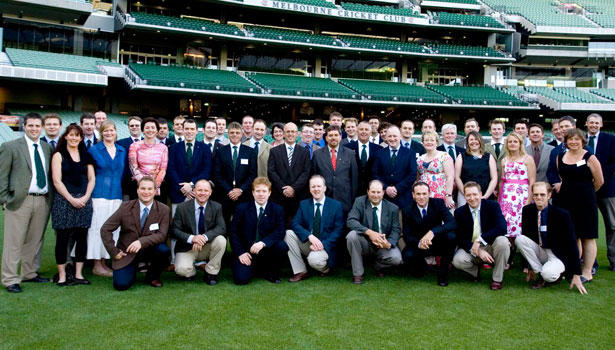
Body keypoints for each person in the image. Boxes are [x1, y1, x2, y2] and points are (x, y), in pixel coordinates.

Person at [0, 113, 53, 293]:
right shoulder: (10, 147)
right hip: (20, 200)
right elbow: (2, 176)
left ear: (42, 127)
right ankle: (10, 278)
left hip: (42, 200)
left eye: (37, 126)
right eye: (30, 125)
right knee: (14, 241)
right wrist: (5, 199)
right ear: (24, 126)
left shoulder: (46, 148)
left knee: (35, 240)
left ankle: (29, 273)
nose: (34, 129)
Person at [515, 182, 587, 294]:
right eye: (536, 194)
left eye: (542, 194)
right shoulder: (527, 211)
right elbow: (527, 236)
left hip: (557, 255)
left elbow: (572, 244)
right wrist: (528, 266)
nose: (539, 197)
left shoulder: (562, 215)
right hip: (540, 250)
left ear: (549, 195)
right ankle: (540, 274)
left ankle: (552, 275)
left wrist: (576, 274)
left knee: (549, 275)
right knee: (519, 239)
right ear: (532, 195)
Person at [101, 177, 171, 290]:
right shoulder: (125, 207)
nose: (146, 192)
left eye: (149, 189)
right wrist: (114, 252)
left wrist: (140, 242)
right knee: (121, 285)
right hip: (127, 252)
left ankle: (152, 276)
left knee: (163, 251)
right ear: (137, 190)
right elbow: (105, 229)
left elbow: (162, 235)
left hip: (150, 249)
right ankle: (131, 270)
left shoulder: (164, 209)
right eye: (143, 188)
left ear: (155, 191)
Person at [554, 128, 603, 282]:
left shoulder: (590, 157)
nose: (573, 142)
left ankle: (587, 272)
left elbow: (599, 181)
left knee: (588, 236)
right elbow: (562, 177)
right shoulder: (560, 156)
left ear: (582, 141)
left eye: (577, 139)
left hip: (586, 202)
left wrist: (586, 192)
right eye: (570, 139)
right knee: (572, 236)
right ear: (566, 141)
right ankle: (573, 270)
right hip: (566, 201)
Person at [50, 124, 95, 286]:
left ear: (81, 138)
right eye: (71, 135)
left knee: (82, 238)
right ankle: (62, 275)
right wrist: (71, 199)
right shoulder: (58, 155)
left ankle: (78, 274)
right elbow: (57, 181)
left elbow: (91, 179)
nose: (74, 138)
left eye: (77, 135)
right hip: (64, 201)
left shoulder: (86, 156)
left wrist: (85, 197)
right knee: (62, 239)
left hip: (84, 201)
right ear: (66, 136)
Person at [229, 177, 288, 285]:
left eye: (264, 191)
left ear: (269, 193)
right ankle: (254, 269)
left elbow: (280, 230)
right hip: (246, 252)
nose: (261, 194)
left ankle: (271, 272)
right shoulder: (241, 208)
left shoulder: (278, 209)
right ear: (253, 193)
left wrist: (263, 243)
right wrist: (241, 252)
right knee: (240, 279)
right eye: (258, 191)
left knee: (282, 246)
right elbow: (233, 233)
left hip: (266, 250)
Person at [285, 175, 344, 282]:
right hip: (309, 243)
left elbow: (338, 231)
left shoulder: (336, 205)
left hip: (326, 245)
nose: (316, 189)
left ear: (324, 188)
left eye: (319, 186)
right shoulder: (304, 204)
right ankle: (301, 271)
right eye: (313, 187)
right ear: (309, 189)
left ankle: (326, 270)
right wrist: (309, 236)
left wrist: (322, 245)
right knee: (288, 234)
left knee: (314, 261)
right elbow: (295, 223)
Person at [452, 182, 509, 290]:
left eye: (475, 194)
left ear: (480, 194)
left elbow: (502, 228)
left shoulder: (492, 206)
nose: (472, 198)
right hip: (472, 248)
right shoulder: (459, 212)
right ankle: (475, 272)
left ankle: (497, 279)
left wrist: (480, 240)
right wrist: (477, 250)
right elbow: (460, 238)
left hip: (491, 245)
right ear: (465, 196)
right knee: (457, 260)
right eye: (468, 195)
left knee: (503, 242)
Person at [87, 120, 126, 278]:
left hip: (116, 195)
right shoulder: (94, 150)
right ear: (101, 132)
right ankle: (97, 264)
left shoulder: (122, 150)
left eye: (112, 130)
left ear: (116, 132)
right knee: (97, 229)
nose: (109, 133)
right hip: (99, 195)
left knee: (112, 229)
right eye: (106, 131)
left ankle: (105, 261)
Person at [346, 180, 402, 284]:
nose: (375, 195)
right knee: (352, 236)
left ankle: (377, 266)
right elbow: (351, 221)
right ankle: (358, 274)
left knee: (396, 258)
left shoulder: (392, 208)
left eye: (378, 192)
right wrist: (369, 232)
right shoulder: (359, 202)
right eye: (373, 192)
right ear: (368, 192)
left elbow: (396, 229)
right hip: (365, 242)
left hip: (382, 243)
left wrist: (388, 243)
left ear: (383, 192)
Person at [401, 182, 456, 286]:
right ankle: (422, 266)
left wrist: (433, 232)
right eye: (418, 194)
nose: (421, 197)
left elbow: (452, 223)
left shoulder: (438, 203)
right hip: (419, 244)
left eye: (424, 193)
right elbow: (407, 236)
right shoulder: (407, 210)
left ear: (429, 193)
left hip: (437, 242)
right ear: (413, 195)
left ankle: (443, 274)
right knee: (407, 256)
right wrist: (419, 243)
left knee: (451, 237)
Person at [171, 180, 226, 285]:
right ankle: (191, 272)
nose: (202, 193)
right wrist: (192, 238)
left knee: (221, 240)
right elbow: (174, 230)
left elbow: (221, 227)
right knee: (182, 270)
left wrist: (204, 237)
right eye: (199, 190)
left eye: (206, 190)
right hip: (188, 247)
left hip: (207, 245)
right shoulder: (182, 207)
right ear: (194, 191)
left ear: (210, 192)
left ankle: (211, 272)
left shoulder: (216, 207)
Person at [212, 121, 258, 226]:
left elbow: (252, 175)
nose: (234, 135)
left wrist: (240, 189)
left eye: (237, 132)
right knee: (224, 225)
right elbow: (217, 174)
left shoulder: (250, 152)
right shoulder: (220, 151)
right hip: (225, 194)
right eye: (232, 132)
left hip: (244, 195)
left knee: (243, 225)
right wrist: (229, 191)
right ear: (228, 134)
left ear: (241, 134)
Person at [586, 113, 615, 271]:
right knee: (588, 226)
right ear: (586, 124)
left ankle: (613, 259)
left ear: (601, 124)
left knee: (612, 225)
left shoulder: (610, 139)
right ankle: (591, 262)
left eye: (596, 123)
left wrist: (597, 175)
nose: (594, 125)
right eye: (591, 122)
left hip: (607, 189)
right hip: (585, 189)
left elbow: (612, 163)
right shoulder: (580, 140)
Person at [267, 122, 311, 223]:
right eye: (288, 132)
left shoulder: (304, 152)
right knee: (278, 224)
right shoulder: (274, 151)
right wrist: (284, 188)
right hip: (279, 195)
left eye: (293, 132)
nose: (290, 134)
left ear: (297, 134)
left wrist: (293, 188)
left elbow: (306, 172)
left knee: (297, 225)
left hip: (298, 196)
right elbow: (271, 171)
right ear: (283, 133)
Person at [167, 118, 212, 215]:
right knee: (177, 224)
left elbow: (206, 170)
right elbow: (171, 170)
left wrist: (192, 185)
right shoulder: (174, 147)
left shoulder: (205, 148)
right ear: (183, 130)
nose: (189, 132)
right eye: (187, 129)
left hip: (197, 193)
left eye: (192, 129)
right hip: (178, 193)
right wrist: (183, 187)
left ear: (196, 131)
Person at [312, 125, 358, 215]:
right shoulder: (317, 154)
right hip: (324, 199)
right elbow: (314, 177)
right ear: (326, 138)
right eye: (330, 135)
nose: (333, 138)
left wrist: (353, 198)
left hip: (345, 200)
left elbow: (354, 178)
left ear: (340, 137)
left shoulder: (350, 153)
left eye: (336, 135)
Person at [499, 132, 536, 244]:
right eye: (510, 142)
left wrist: (529, 200)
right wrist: (500, 199)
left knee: (521, 223)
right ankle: (510, 252)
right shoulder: (504, 160)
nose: (512, 144)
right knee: (508, 224)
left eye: (515, 141)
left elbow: (532, 180)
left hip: (522, 196)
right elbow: (502, 180)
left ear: (520, 144)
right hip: (507, 197)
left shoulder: (528, 159)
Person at [372, 125, 417, 209]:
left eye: (395, 136)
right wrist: (386, 188)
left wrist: (397, 188)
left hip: (404, 197)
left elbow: (412, 174)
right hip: (384, 197)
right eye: (389, 136)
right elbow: (375, 174)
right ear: (385, 137)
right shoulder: (379, 154)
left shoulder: (410, 153)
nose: (392, 139)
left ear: (400, 136)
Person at [455, 131, 497, 206]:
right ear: (467, 143)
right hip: (466, 196)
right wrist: (466, 194)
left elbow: (494, 178)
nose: (474, 142)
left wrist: (486, 195)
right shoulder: (461, 156)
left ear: (480, 141)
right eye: (471, 140)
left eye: (476, 139)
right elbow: (457, 177)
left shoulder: (489, 157)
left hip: (485, 195)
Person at [128, 117, 168, 197]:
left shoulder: (163, 147)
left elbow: (163, 168)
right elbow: (133, 167)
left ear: (157, 131)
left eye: (153, 128)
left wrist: (155, 185)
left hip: (156, 187)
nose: (150, 130)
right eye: (147, 128)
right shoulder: (134, 146)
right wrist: (144, 185)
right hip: (139, 185)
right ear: (143, 130)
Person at [344, 120, 383, 195]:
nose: (363, 132)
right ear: (357, 131)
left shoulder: (379, 149)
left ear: (370, 132)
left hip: (373, 190)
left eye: (366, 129)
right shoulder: (347, 148)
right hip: (352, 189)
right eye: (361, 129)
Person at [418, 131, 455, 209]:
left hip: (441, 194)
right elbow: (417, 179)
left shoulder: (444, 156)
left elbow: (450, 177)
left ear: (437, 143)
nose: (429, 142)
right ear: (423, 143)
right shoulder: (419, 159)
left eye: (432, 140)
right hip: (424, 196)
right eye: (426, 140)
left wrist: (448, 195)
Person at [117, 116, 143, 200]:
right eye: (132, 126)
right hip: (127, 184)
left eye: (137, 125)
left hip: (144, 184)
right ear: (128, 127)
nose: (134, 127)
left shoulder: (148, 142)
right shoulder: (120, 143)